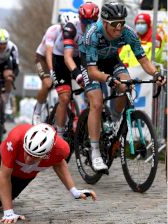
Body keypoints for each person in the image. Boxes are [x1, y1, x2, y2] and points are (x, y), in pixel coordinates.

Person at [79, 2, 166, 171]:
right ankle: (95, 151)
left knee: (126, 85)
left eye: (122, 23)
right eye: (114, 24)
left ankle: (115, 119)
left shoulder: (128, 33)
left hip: (112, 61)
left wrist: (156, 74)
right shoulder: (93, 35)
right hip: (91, 66)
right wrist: (108, 79)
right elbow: (92, 71)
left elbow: (144, 61)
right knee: (96, 102)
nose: (119, 28)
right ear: (104, 22)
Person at [52, 2, 99, 138]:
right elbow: (67, 58)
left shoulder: (98, 30)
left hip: (80, 57)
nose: (89, 24)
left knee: (92, 91)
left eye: (93, 21)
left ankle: (84, 125)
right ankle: (59, 135)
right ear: (80, 18)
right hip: (61, 58)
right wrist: (77, 74)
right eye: (85, 21)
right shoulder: (71, 27)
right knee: (65, 97)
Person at [32, 12, 78, 125]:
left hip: (61, 59)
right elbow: (49, 53)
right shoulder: (53, 31)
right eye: (64, 27)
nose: (66, 29)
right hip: (43, 58)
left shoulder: (74, 31)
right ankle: (37, 112)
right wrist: (52, 71)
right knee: (48, 83)